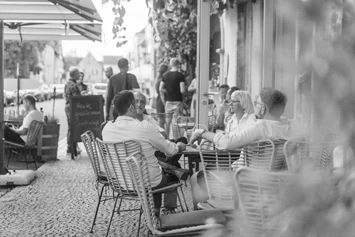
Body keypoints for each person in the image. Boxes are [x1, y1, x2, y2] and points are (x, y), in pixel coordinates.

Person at [102, 90, 187, 214]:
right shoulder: (144, 127)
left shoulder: (107, 129)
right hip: (148, 183)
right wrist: (179, 146)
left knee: (153, 170)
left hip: (121, 183)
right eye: (135, 103)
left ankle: (154, 214)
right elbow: (171, 151)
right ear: (131, 107)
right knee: (168, 176)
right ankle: (158, 214)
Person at [190, 87, 305, 150]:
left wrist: (201, 132)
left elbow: (227, 143)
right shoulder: (294, 125)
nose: (254, 106)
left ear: (263, 109)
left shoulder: (260, 127)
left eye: (257, 103)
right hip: (283, 178)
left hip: (248, 176)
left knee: (196, 178)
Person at [159, 58, 186, 138]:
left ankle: (165, 139)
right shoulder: (180, 75)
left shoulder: (165, 75)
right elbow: (182, 90)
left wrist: (167, 91)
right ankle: (176, 140)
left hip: (168, 101)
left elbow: (160, 89)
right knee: (176, 122)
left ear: (170, 65)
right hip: (178, 101)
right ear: (178, 65)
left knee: (167, 122)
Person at [64, 67, 81, 154]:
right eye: (78, 73)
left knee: (70, 127)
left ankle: (70, 147)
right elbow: (76, 98)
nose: (80, 75)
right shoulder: (73, 85)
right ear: (74, 74)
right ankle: (71, 148)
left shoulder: (68, 83)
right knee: (73, 127)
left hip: (67, 107)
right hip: (72, 108)